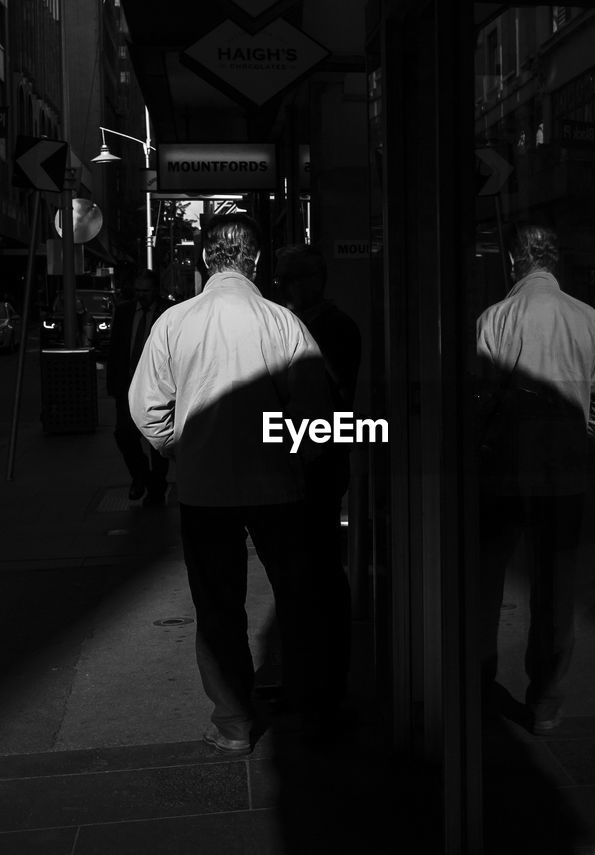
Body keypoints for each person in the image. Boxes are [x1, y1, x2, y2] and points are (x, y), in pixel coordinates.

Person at [129, 214, 333, 756]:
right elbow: (317, 409)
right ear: (257, 260)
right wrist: (295, 457)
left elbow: (146, 409)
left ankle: (235, 722)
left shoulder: (174, 322)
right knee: (296, 596)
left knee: (218, 606)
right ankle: (305, 709)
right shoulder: (283, 322)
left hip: (204, 492)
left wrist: (182, 449)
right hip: (277, 488)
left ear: (203, 259)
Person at [475, 223, 595, 735]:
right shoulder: (588, 320)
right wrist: (579, 440)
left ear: (514, 263)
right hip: (564, 480)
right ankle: (545, 702)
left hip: (501, 477)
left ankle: (478, 686)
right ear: (553, 261)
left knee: (485, 587)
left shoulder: (496, 318)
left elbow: (478, 402)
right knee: (556, 592)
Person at [275, 244, 361, 711]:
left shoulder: (332, 327)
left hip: (318, 460)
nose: (285, 291)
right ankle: (315, 673)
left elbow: (336, 393)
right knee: (311, 569)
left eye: (290, 280)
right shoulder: (314, 324)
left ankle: (323, 678)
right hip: (310, 456)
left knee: (319, 570)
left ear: (312, 280)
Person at [107, 269, 170, 505]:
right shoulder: (124, 311)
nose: (141, 295)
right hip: (128, 386)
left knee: (158, 442)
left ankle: (157, 487)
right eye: (138, 290)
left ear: (155, 290)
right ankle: (142, 477)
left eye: (145, 291)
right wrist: (113, 385)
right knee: (124, 434)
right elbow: (116, 349)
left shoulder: (167, 312)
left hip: (158, 389)